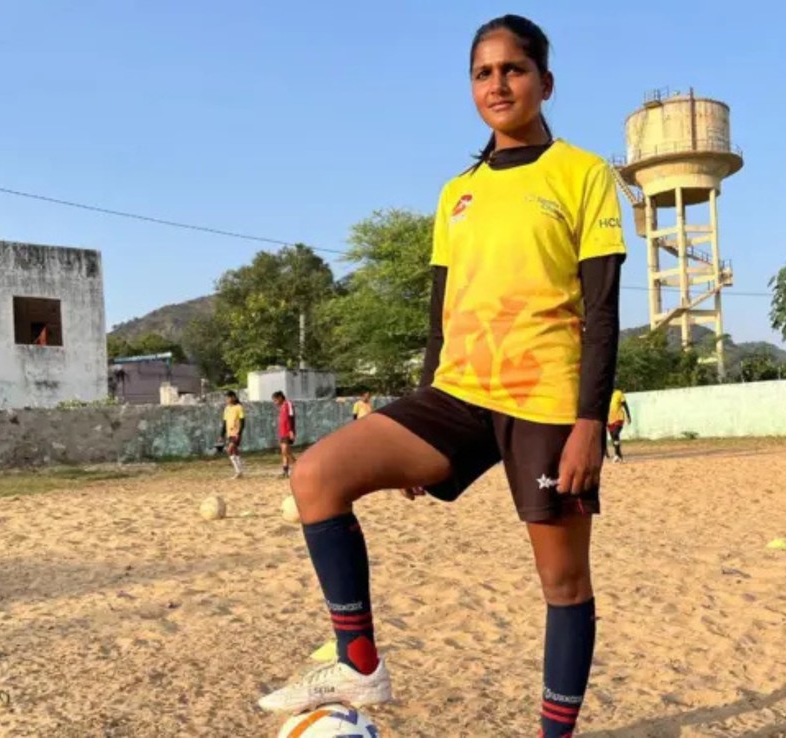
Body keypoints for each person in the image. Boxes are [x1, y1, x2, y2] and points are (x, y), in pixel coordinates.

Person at [258, 15, 625, 738]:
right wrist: (419, 415)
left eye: (513, 70)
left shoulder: (583, 174)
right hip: (456, 395)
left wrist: (589, 423)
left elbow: (604, 310)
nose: (498, 84)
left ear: (544, 82)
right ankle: (359, 662)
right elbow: (440, 313)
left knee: (563, 584)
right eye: (483, 73)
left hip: (547, 402)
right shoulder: (456, 192)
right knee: (316, 478)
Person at [220, 390, 246, 479]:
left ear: (234, 397)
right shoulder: (227, 408)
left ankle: (239, 471)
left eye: (229, 397)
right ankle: (240, 471)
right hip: (229, 433)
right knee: (234, 451)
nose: (227, 399)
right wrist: (221, 434)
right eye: (226, 398)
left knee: (230, 449)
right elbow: (224, 422)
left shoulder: (239, 407)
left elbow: (242, 422)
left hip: (236, 433)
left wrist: (239, 433)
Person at [273, 391, 297, 478]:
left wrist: (291, 431)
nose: (275, 403)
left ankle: (297, 466)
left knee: (285, 451)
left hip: (288, 432)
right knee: (284, 453)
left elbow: (290, 417)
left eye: (275, 400)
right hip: (282, 432)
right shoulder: (281, 407)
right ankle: (285, 471)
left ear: (280, 397)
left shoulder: (288, 404)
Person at [607, 388, 631, 463]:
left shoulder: (618, 393)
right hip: (609, 420)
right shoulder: (605, 395)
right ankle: (619, 455)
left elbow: (625, 405)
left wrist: (628, 415)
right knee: (614, 438)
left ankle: (617, 455)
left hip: (619, 418)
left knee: (615, 434)